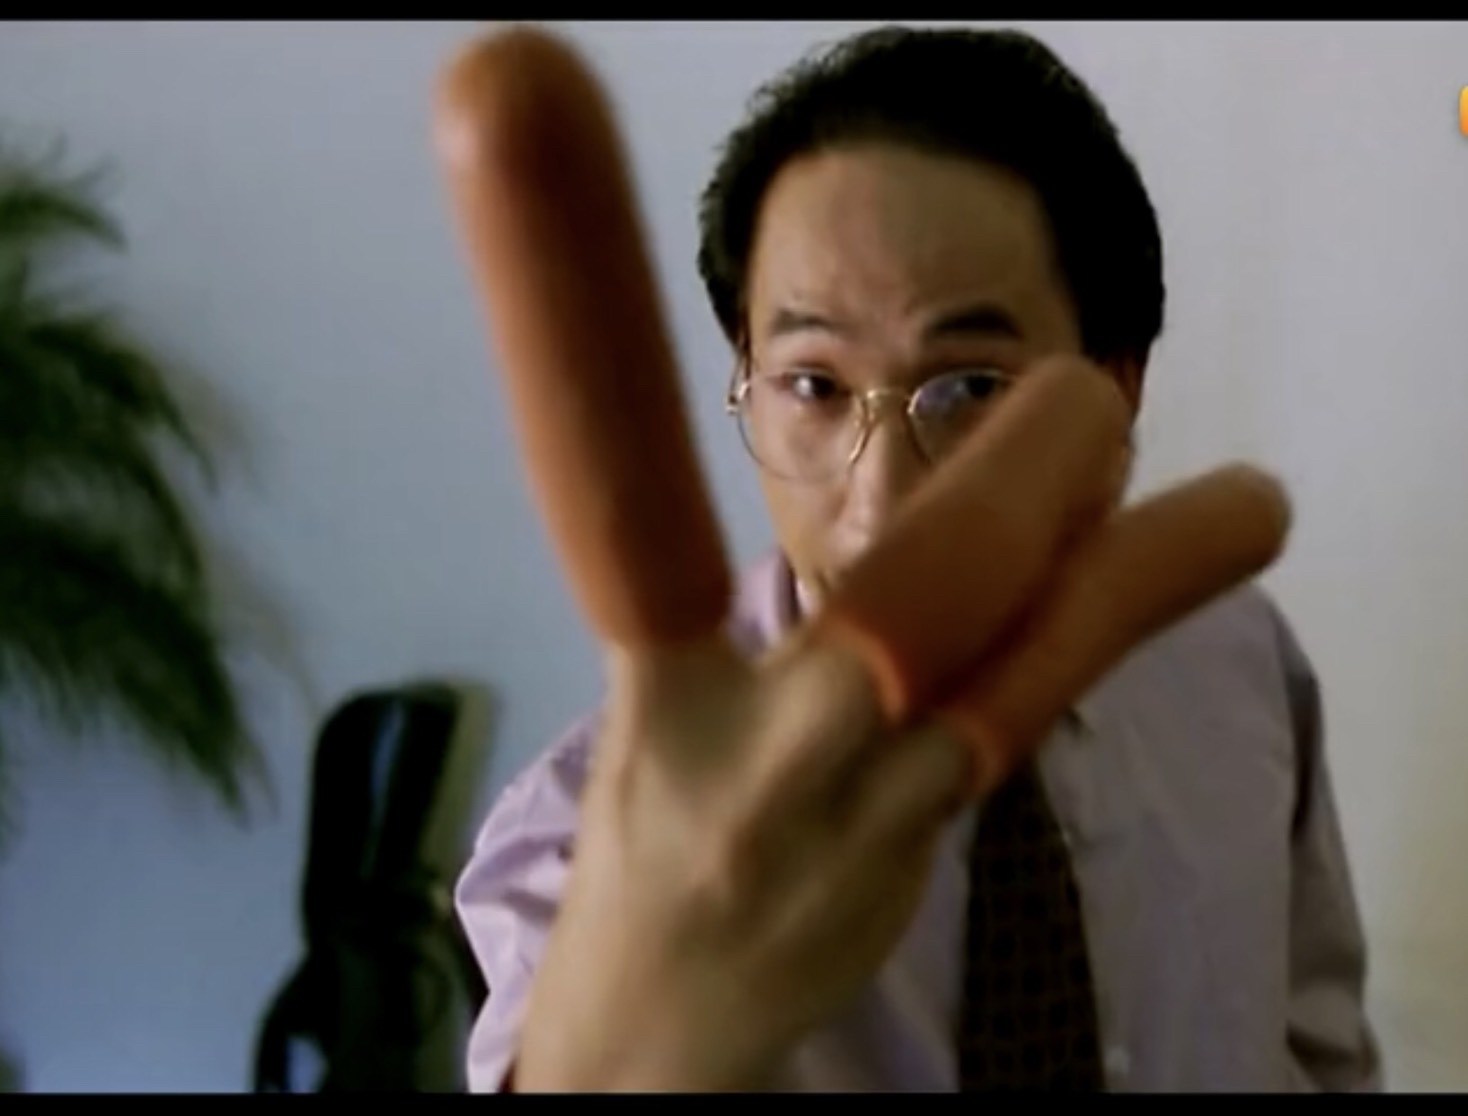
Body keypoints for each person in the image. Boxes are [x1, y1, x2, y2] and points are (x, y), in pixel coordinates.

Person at [452, 25, 1381, 1091]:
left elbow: (1320, 1051)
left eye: (970, 387)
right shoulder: (586, 849)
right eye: (813, 385)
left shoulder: (1231, 658)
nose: (880, 502)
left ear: (1114, 388)